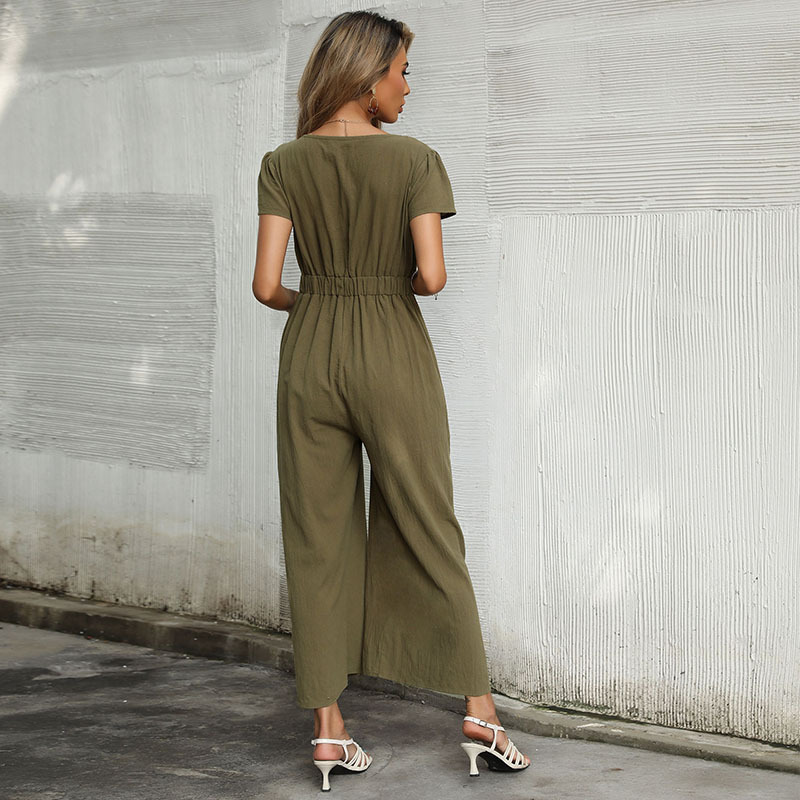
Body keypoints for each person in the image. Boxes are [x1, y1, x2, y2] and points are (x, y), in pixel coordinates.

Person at [252, 10, 530, 791]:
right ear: (368, 74)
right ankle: (480, 716)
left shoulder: (282, 162)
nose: (408, 86)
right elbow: (432, 278)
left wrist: (321, 302)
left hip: (309, 351)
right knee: (428, 523)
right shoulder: (413, 159)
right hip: (391, 347)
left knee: (315, 537)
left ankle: (329, 733)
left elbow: (267, 285)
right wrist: (379, 291)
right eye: (403, 71)